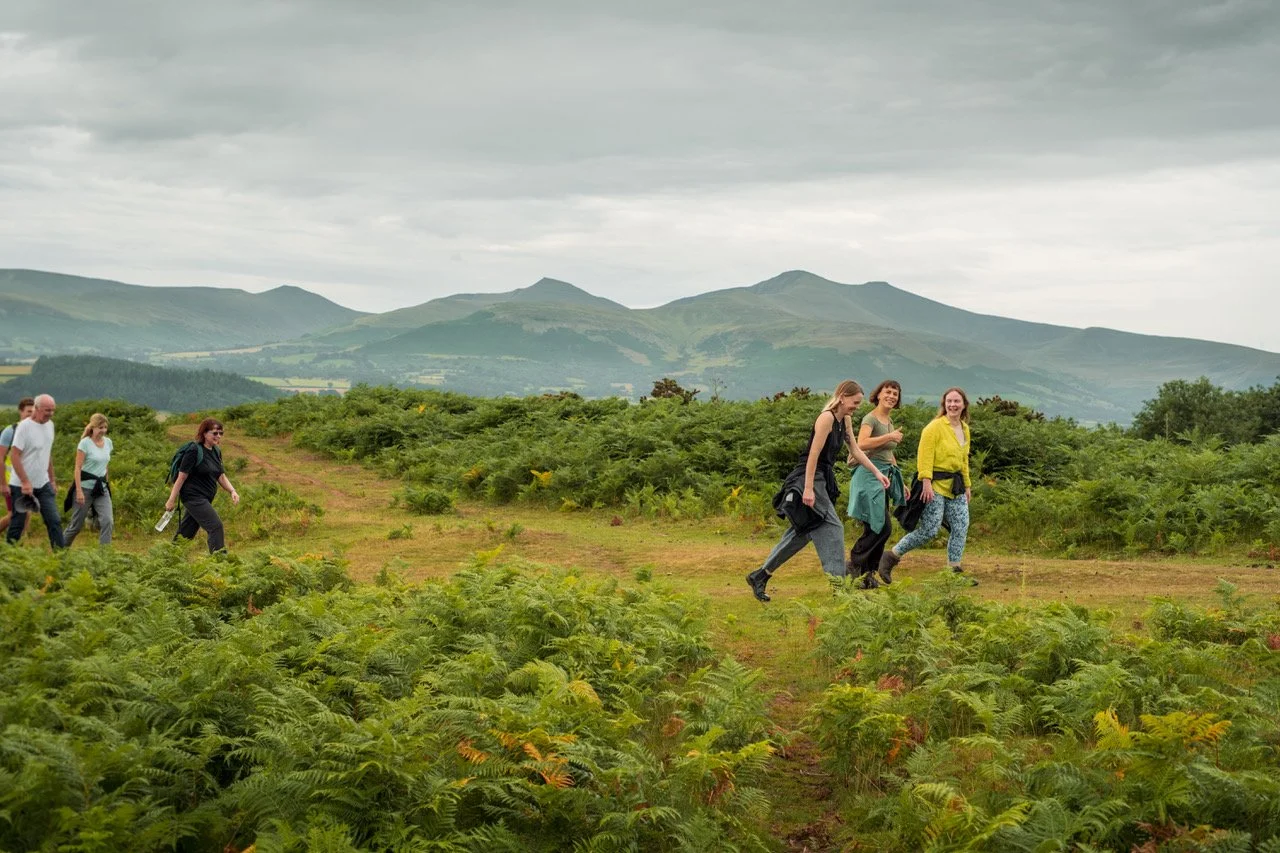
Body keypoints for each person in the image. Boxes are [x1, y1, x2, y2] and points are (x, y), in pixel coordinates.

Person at [746, 380, 889, 602]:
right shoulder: (826, 418)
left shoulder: (846, 420)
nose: (857, 407)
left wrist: (876, 473)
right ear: (842, 397)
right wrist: (809, 488)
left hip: (823, 478)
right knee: (834, 527)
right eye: (855, 402)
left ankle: (760, 575)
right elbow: (813, 455)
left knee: (802, 533)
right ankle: (840, 587)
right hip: (808, 477)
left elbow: (856, 451)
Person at [879, 387, 975, 584]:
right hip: (934, 485)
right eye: (949, 401)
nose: (953, 405)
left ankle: (954, 570)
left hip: (956, 486)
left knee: (961, 526)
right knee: (929, 530)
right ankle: (891, 556)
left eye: (957, 401)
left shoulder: (964, 429)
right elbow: (924, 457)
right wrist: (926, 483)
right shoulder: (934, 427)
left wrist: (967, 485)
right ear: (944, 404)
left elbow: (963, 460)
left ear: (964, 404)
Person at [846, 380, 907, 589]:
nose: (892, 396)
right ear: (878, 394)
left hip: (884, 477)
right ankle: (854, 565)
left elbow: (889, 453)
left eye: (895, 394)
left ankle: (867, 574)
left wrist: (901, 481)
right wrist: (889, 436)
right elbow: (860, 444)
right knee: (880, 526)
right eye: (888, 392)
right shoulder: (870, 418)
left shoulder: (888, 420)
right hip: (868, 476)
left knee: (880, 527)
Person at [164, 417, 240, 553]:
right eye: (215, 433)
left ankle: (169, 559)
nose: (218, 436)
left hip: (205, 498)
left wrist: (232, 491)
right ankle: (220, 563)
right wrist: (171, 500)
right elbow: (181, 477)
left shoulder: (216, 451)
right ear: (204, 433)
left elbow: (221, 476)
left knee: (186, 532)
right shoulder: (194, 450)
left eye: (221, 433)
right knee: (215, 526)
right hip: (193, 497)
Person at [5, 394, 64, 550]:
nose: (50, 414)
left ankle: (62, 560)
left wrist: (52, 479)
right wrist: (24, 481)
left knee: (54, 520)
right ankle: (7, 557)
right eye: (47, 410)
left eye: (53, 410)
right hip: (20, 485)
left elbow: (47, 454)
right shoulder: (24, 427)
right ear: (36, 409)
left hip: (43, 483)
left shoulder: (50, 425)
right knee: (18, 523)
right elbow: (14, 455)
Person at [63, 413, 114, 546]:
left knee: (108, 521)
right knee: (76, 525)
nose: (103, 430)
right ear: (93, 427)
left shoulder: (108, 442)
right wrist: (78, 491)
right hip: (85, 488)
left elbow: (106, 465)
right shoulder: (85, 443)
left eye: (105, 427)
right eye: (100, 427)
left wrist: (106, 484)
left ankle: (105, 556)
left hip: (101, 489)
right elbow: (78, 468)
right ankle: (59, 550)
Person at [0, 397, 35, 536]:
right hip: (11, 481)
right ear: (21, 412)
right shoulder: (10, 431)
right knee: (15, 515)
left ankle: (19, 549)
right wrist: (3, 484)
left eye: (33, 412)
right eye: (28, 411)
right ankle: (16, 546)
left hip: (27, 481)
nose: (31, 415)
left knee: (26, 514)